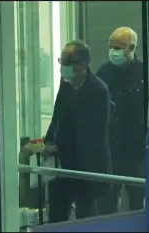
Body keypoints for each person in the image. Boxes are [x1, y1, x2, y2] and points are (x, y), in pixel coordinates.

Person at [43, 40, 112, 223]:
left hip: (86, 166)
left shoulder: (98, 90)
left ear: (83, 65)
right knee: (57, 216)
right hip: (62, 164)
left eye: (68, 62)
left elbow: (91, 134)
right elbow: (58, 116)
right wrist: (49, 141)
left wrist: (59, 147)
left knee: (85, 217)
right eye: (61, 61)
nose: (63, 67)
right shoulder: (66, 84)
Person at [95, 27, 146, 212]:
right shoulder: (103, 74)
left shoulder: (146, 73)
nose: (113, 51)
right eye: (111, 46)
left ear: (131, 48)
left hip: (138, 152)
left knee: (139, 204)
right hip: (111, 152)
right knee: (107, 205)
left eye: (118, 47)